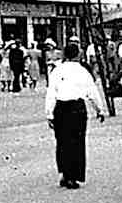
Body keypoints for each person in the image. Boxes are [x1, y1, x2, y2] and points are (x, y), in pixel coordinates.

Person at [45, 41, 105, 188]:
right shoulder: (83, 71)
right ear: (78, 54)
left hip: (60, 108)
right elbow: (92, 92)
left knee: (62, 142)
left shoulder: (56, 71)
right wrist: (100, 109)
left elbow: (51, 93)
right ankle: (74, 176)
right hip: (77, 108)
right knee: (77, 142)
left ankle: (65, 174)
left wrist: (49, 114)